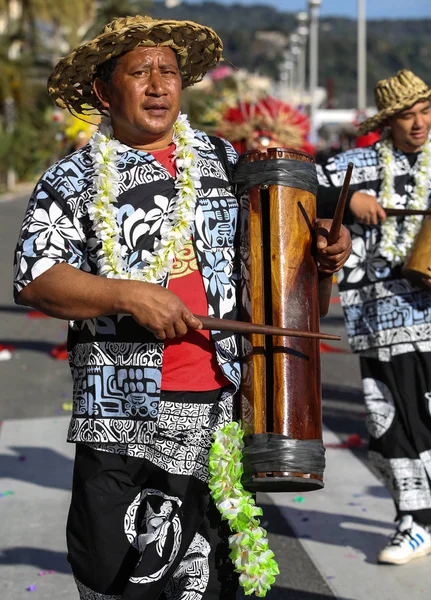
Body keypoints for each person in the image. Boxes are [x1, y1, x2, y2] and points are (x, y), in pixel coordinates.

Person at [13, 15, 352, 600]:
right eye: (138, 72)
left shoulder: (228, 163)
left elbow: (280, 285)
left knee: (212, 582)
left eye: (167, 72)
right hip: (120, 419)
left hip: (220, 410)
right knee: (117, 579)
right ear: (103, 90)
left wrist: (320, 259)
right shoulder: (69, 178)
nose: (157, 85)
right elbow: (36, 279)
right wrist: (127, 293)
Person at [317, 69, 431, 565]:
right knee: (391, 420)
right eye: (407, 116)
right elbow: (293, 187)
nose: (419, 124)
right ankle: (412, 521)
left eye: (425, 112)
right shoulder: (357, 165)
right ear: (388, 123)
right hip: (376, 317)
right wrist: (346, 198)